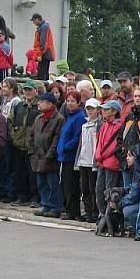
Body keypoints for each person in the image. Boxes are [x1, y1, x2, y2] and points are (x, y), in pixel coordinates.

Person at [30, 92, 65, 218]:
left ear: (49, 104)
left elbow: (56, 140)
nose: (38, 103)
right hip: (37, 157)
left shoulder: (59, 119)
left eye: (41, 101)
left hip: (50, 158)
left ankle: (55, 207)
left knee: (52, 184)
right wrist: (32, 152)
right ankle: (46, 205)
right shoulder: (38, 118)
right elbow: (32, 135)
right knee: (41, 183)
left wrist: (49, 155)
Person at [56, 90, 86, 220]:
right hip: (64, 155)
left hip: (71, 156)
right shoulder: (70, 115)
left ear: (78, 102)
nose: (70, 103)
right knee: (65, 184)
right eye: (68, 101)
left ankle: (73, 211)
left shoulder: (79, 117)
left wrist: (66, 147)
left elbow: (77, 137)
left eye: (73, 101)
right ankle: (69, 209)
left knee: (71, 185)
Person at [94, 100, 123, 216]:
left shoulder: (118, 125)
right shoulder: (104, 125)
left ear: (114, 111)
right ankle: (102, 213)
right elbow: (100, 142)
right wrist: (98, 155)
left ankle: (109, 215)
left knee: (109, 190)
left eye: (106, 109)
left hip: (111, 163)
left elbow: (113, 145)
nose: (103, 111)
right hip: (102, 162)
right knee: (99, 189)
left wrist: (100, 155)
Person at [75, 98, 100, 223]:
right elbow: (81, 144)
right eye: (88, 109)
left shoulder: (98, 125)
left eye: (92, 109)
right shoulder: (84, 125)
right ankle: (88, 211)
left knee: (92, 188)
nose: (90, 111)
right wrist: (78, 160)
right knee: (84, 188)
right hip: (83, 161)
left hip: (92, 162)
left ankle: (94, 212)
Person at [30, 13, 55, 81]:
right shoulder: (43, 27)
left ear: (37, 19)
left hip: (44, 53)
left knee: (42, 74)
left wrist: (39, 55)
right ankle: (45, 87)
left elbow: (43, 42)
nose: (33, 22)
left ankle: (42, 88)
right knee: (44, 73)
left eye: (34, 20)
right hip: (46, 53)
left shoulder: (43, 27)